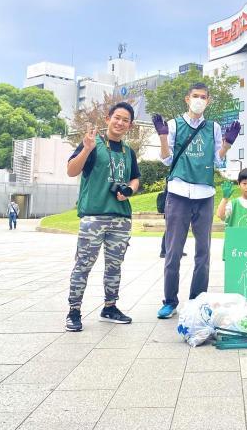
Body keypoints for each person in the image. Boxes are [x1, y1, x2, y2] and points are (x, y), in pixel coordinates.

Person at [152, 81, 241, 319]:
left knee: (204, 252)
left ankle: (197, 300)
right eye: (195, 96)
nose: (199, 100)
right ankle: (170, 301)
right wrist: (162, 137)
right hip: (179, 193)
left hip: (205, 194)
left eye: (203, 96)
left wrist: (227, 145)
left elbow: (218, 161)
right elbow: (166, 160)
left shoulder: (213, 128)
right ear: (187, 98)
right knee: (173, 251)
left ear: (208, 101)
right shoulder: (173, 125)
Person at [64, 102, 141, 332]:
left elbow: (136, 178)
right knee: (83, 265)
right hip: (94, 216)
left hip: (121, 218)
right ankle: (74, 311)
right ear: (108, 119)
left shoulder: (129, 152)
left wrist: (129, 190)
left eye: (125, 120)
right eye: (116, 117)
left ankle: (110, 306)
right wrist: (86, 149)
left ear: (130, 125)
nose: (120, 123)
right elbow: (71, 170)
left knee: (114, 266)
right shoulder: (93, 143)